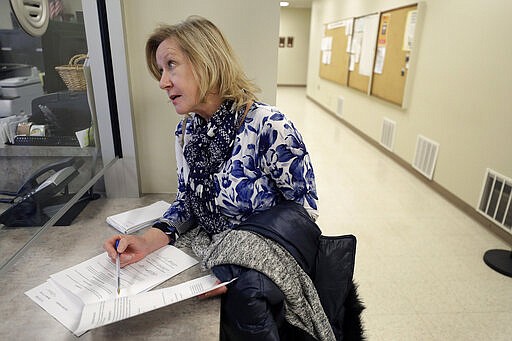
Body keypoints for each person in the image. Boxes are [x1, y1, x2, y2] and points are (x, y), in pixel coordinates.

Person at [104, 16, 361, 341]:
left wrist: (234, 267)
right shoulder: (186, 132)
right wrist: (149, 239)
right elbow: (186, 202)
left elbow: (304, 215)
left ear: (206, 61)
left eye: (171, 65)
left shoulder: (269, 125)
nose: (162, 82)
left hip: (266, 260)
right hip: (211, 251)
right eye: (160, 70)